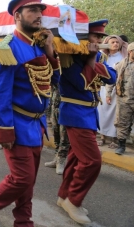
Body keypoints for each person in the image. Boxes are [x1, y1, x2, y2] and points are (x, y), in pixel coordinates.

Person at [0, 0, 61, 227]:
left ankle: (23, 221)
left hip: (37, 124)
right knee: (23, 178)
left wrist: (50, 50)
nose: (38, 15)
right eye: (32, 10)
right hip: (17, 122)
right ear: (17, 15)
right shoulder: (7, 47)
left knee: (29, 179)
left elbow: (53, 82)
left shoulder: (38, 46)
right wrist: (3, 130)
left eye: (40, 10)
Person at [56, 20, 116, 224]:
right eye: (96, 37)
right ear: (83, 37)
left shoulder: (97, 55)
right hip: (74, 113)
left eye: (101, 37)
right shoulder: (68, 55)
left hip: (89, 115)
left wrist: (93, 61)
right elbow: (81, 82)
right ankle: (74, 200)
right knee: (92, 161)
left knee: (75, 159)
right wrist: (91, 60)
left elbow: (113, 77)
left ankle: (64, 197)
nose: (100, 41)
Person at [98, 35, 128, 147]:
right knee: (102, 112)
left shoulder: (123, 57)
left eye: (117, 42)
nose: (115, 44)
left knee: (116, 115)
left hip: (118, 90)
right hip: (103, 89)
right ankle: (102, 137)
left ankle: (114, 139)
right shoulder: (102, 56)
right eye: (112, 42)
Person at [106, 42, 134, 155]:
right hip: (124, 100)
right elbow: (112, 79)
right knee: (122, 123)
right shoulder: (121, 64)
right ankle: (121, 145)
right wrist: (108, 94)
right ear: (130, 51)